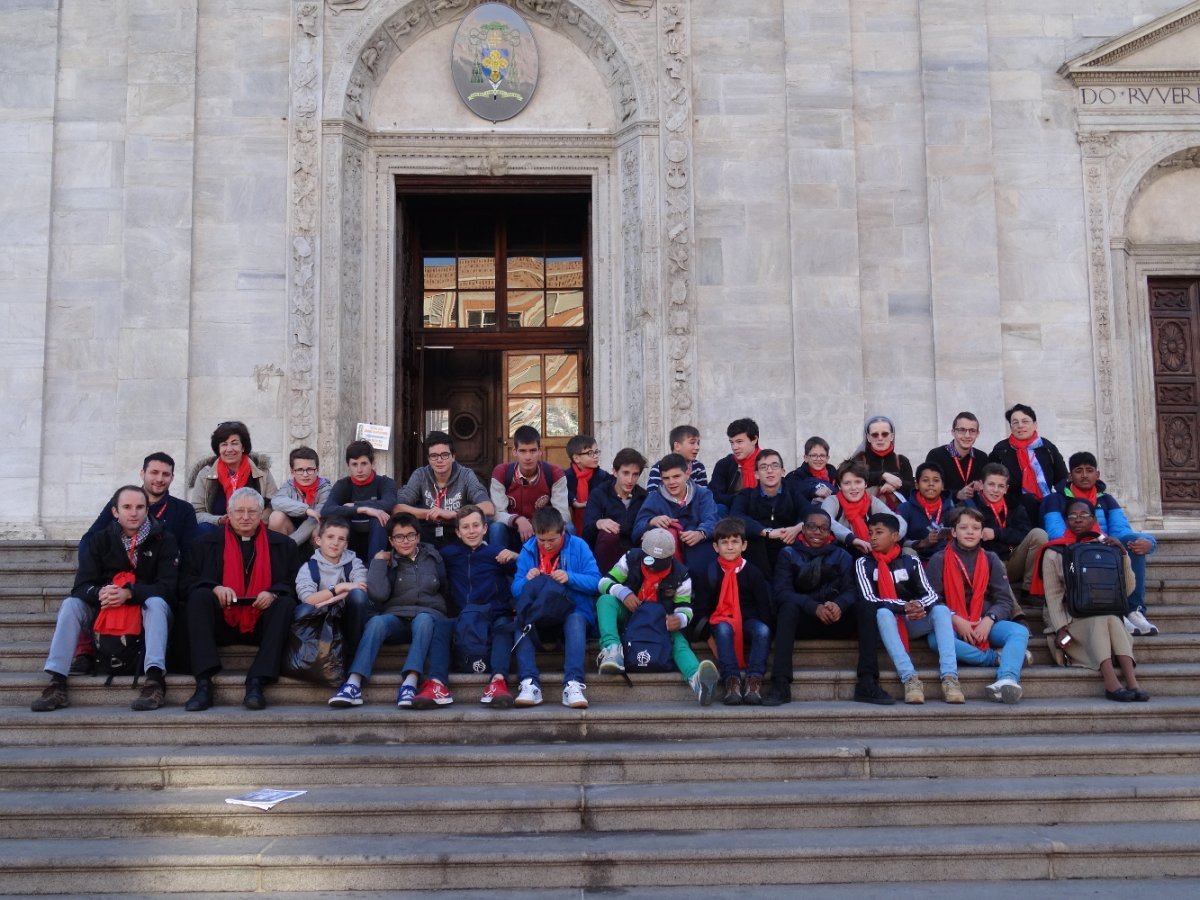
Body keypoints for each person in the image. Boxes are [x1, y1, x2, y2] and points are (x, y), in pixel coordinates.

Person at [31, 485, 180, 712]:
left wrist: (130, 593)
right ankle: (57, 682)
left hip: (144, 608)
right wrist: (99, 592)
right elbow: (81, 586)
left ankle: (154, 680)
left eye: (140, 507)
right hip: (106, 607)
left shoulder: (164, 539)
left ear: (147, 510)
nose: (134, 512)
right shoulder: (99, 540)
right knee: (71, 605)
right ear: (115, 512)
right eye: (127, 507)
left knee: (157, 604)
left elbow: (168, 588)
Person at [182, 487, 298, 711]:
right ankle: (204, 683)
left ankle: (257, 681)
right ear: (229, 511)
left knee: (285, 603)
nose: (245, 517)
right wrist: (214, 588)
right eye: (240, 511)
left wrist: (273, 592)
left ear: (262, 513)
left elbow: (294, 583)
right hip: (221, 623)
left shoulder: (284, 545)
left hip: (262, 623)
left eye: (252, 512)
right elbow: (185, 583)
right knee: (199, 597)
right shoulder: (204, 544)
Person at [768, 508, 893, 706]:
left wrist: (839, 605)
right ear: (803, 530)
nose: (817, 532)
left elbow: (852, 590)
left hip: (836, 620)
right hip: (803, 621)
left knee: (866, 606)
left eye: (823, 528)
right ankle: (780, 683)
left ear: (830, 532)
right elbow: (782, 592)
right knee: (787, 608)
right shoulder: (788, 554)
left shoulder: (842, 555)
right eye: (812, 527)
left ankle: (868, 682)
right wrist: (813, 607)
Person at [328, 513, 453, 709]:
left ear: (418, 537)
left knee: (424, 620)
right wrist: (378, 561)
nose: (405, 541)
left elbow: (444, 586)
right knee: (376, 622)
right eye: (399, 537)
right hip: (397, 618)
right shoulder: (387, 561)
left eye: (410, 535)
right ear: (391, 541)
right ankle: (353, 683)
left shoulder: (433, 557)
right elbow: (378, 595)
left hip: (428, 616)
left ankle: (410, 683)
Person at [1037, 499, 1147, 702]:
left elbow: (1128, 590)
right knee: (1101, 621)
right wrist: (1060, 628)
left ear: (1094, 519)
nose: (1078, 519)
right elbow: (1053, 596)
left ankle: (1132, 682)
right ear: (1065, 521)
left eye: (1084, 515)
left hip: (1105, 614)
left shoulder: (1107, 548)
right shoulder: (1055, 551)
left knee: (1112, 620)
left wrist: (1123, 555)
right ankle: (1111, 683)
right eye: (1072, 516)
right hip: (1071, 617)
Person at [595, 528, 720, 705]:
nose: (651, 565)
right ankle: (612, 649)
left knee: (680, 642)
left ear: (670, 558)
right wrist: (624, 593)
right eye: (648, 559)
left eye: (658, 562)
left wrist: (680, 619)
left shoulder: (681, 575)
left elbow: (686, 608)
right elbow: (603, 582)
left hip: (661, 622)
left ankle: (696, 680)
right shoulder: (631, 558)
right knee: (605, 600)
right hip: (631, 615)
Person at [1041, 451, 1159, 636]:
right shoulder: (1055, 499)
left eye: (1089, 470)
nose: (1085, 475)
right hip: (1073, 550)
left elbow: (1121, 531)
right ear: (1070, 476)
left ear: (1098, 474)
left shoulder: (1106, 499)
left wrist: (1149, 542)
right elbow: (1055, 534)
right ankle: (1115, 612)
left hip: (1103, 546)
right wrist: (1095, 542)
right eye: (1079, 471)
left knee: (1132, 543)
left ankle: (1133, 610)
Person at [925, 507, 1030, 704]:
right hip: (953, 623)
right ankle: (994, 659)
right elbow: (931, 599)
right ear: (954, 532)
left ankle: (1007, 678)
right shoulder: (939, 560)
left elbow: (1004, 600)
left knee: (1019, 632)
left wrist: (989, 620)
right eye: (964, 527)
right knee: (935, 641)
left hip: (984, 622)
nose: (970, 532)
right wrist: (955, 618)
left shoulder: (991, 559)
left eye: (976, 528)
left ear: (983, 533)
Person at [857, 513, 963, 704]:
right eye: (870, 532)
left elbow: (930, 594)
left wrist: (918, 605)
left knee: (941, 610)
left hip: (911, 619)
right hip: (884, 625)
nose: (872, 537)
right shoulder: (863, 563)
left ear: (895, 536)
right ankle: (910, 679)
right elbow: (870, 599)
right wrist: (904, 606)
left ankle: (950, 678)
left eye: (879, 532)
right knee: (882, 612)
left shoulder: (910, 561)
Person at [510, 507, 602, 709]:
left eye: (552, 540)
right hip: (540, 614)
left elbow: (597, 582)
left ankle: (573, 684)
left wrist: (570, 578)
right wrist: (526, 580)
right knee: (520, 622)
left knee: (576, 620)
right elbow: (515, 590)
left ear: (563, 531)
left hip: (572, 610)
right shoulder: (528, 549)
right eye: (542, 540)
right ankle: (529, 683)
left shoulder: (578, 546)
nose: (547, 545)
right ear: (535, 534)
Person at [439, 505, 518, 708]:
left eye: (476, 525)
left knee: (504, 627)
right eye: (465, 527)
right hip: (463, 615)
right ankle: (436, 683)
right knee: (440, 627)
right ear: (457, 532)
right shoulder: (448, 554)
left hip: (495, 613)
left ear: (485, 528)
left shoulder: (496, 552)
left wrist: (516, 556)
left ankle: (498, 681)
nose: (471, 531)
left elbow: (528, 567)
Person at [633, 452, 719, 626]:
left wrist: (700, 533)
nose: (671, 482)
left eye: (676, 476)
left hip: (698, 547)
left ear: (687, 473)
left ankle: (702, 616)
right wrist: (652, 521)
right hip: (668, 560)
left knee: (705, 565)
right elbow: (637, 529)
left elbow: (713, 520)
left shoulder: (703, 494)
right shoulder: (655, 498)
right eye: (666, 478)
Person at [81, 451, 198, 560]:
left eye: (166, 474)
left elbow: (189, 552)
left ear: (172, 478)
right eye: (154, 472)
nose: (159, 479)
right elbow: (90, 537)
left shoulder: (184, 509)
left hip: (162, 575)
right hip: (118, 571)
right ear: (142, 473)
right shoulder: (120, 502)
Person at [706, 518, 772, 705]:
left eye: (735, 542)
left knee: (762, 630)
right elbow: (703, 607)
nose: (729, 547)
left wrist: (766, 627)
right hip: (721, 618)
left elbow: (764, 607)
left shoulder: (753, 572)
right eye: (724, 542)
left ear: (744, 546)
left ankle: (754, 680)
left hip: (748, 620)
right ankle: (731, 680)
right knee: (724, 629)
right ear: (715, 547)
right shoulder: (711, 571)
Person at [393, 431, 493, 548]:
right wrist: (430, 513)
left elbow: (488, 507)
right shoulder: (421, 474)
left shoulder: (465, 475)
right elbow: (397, 508)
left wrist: (452, 514)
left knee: (487, 522)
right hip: (427, 531)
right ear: (428, 459)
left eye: (445, 455)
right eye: (434, 456)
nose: (439, 460)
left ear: (453, 457)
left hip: (458, 531)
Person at [292, 516, 371, 662]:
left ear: (346, 544)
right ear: (318, 540)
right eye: (330, 537)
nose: (335, 543)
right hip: (319, 620)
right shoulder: (308, 568)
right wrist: (339, 587)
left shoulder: (354, 563)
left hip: (347, 619)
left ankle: (353, 654)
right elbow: (308, 599)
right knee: (304, 609)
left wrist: (326, 600)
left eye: (341, 539)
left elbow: (361, 588)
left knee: (358, 595)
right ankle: (309, 656)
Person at [967, 463, 1048, 598]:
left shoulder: (1014, 506)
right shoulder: (970, 506)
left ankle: (1029, 589)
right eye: (991, 484)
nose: (996, 490)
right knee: (993, 559)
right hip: (989, 564)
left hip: (1014, 560)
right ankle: (1015, 611)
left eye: (1001, 486)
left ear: (1006, 489)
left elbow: (1024, 533)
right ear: (981, 485)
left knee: (1039, 534)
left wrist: (996, 533)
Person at [730, 448, 813, 577]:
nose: (769, 470)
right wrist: (766, 532)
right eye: (763, 467)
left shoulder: (793, 493)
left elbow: (815, 514)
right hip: (757, 553)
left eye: (774, 466)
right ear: (756, 474)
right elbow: (735, 517)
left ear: (782, 472)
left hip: (788, 547)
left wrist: (797, 528)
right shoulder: (746, 495)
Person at [488, 425, 570, 550]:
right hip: (512, 530)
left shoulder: (554, 473)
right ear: (514, 451)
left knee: (568, 527)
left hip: (544, 532)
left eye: (532, 450)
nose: (528, 457)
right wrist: (518, 520)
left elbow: (562, 513)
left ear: (540, 451)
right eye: (523, 451)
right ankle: (497, 568)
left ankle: (563, 567)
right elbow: (497, 513)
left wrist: (538, 526)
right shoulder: (501, 473)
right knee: (496, 528)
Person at [189, 421, 278, 533]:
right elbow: (197, 512)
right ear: (218, 449)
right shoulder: (205, 474)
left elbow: (274, 503)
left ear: (243, 447)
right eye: (224, 444)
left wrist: (258, 519)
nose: (229, 449)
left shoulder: (261, 471)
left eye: (234, 443)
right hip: (218, 530)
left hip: (254, 529)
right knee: (202, 529)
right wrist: (219, 520)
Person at [988, 403, 1068, 522]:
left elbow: (1061, 477)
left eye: (1025, 421)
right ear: (1011, 427)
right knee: (1028, 500)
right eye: (1015, 422)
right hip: (1014, 507)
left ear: (1035, 425)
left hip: (1046, 503)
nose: (1020, 426)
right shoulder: (1001, 450)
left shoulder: (1047, 447)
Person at [321, 440, 398, 562]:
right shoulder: (343, 485)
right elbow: (326, 510)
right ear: (348, 465)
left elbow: (389, 502)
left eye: (364, 463)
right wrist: (362, 509)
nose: (359, 470)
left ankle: (374, 570)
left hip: (379, 537)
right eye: (354, 464)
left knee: (379, 519)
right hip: (351, 536)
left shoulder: (385, 482)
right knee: (341, 519)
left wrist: (356, 504)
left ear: (372, 463)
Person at [820, 460, 906, 557]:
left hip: (871, 552)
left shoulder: (872, 502)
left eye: (858, 482)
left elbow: (898, 521)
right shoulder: (832, 501)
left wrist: (891, 538)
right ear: (839, 486)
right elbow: (826, 521)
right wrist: (852, 539)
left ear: (865, 484)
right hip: (841, 556)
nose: (853, 487)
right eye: (847, 483)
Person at [582, 448, 648, 573]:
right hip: (606, 553)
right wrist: (599, 523)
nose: (630, 480)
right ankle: (606, 581)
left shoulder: (643, 496)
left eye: (635, 474)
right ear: (615, 472)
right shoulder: (599, 494)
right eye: (625, 473)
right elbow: (586, 532)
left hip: (634, 553)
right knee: (609, 534)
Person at [267, 446, 331, 547]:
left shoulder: (325, 489)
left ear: (317, 470)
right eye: (300, 470)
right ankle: (278, 557)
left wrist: (291, 543)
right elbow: (276, 501)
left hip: (311, 535)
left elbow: (316, 519)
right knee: (276, 517)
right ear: (292, 472)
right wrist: (305, 510)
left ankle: (317, 562)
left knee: (319, 530)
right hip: (291, 530)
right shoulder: (288, 485)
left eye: (310, 469)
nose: (305, 474)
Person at [852, 415, 914, 510]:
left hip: (895, 514)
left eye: (885, 434)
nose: (880, 438)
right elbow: (853, 481)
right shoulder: (859, 459)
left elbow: (911, 488)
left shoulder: (902, 461)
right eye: (875, 435)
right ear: (868, 437)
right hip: (865, 512)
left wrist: (894, 486)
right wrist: (883, 476)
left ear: (892, 436)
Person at [924, 412, 988, 501]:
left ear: (977, 434)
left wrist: (981, 487)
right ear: (953, 432)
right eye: (962, 430)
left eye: (972, 431)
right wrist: (957, 494)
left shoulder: (982, 457)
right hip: (945, 510)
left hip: (974, 511)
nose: (967, 435)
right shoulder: (936, 455)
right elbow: (930, 488)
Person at [899, 463, 954, 562]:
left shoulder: (952, 509)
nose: (931, 484)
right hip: (916, 556)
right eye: (925, 480)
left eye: (936, 480)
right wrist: (922, 543)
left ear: (942, 486)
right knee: (907, 551)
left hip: (944, 556)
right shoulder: (905, 508)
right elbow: (898, 538)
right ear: (916, 484)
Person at [565, 434, 614, 536]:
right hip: (572, 527)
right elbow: (561, 492)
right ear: (576, 458)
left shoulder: (604, 477)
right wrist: (574, 501)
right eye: (590, 453)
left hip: (597, 523)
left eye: (596, 452)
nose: (595, 456)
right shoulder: (565, 477)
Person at [708, 418, 761, 511]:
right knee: (719, 509)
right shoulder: (724, 464)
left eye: (739, 442)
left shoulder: (767, 463)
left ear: (754, 440)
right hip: (732, 513)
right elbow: (714, 495)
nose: (734, 447)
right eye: (732, 442)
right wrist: (741, 500)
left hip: (762, 511)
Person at [645, 425, 709, 492]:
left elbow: (703, 496)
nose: (697, 447)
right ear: (677, 446)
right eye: (692, 443)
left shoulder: (698, 467)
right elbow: (652, 496)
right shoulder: (658, 468)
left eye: (698, 443)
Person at [785, 436, 837, 504]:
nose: (818, 459)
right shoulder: (796, 476)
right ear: (806, 458)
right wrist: (814, 490)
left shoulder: (834, 474)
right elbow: (793, 489)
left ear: (827, 458)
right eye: (814, 455)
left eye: (822, 455)